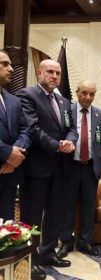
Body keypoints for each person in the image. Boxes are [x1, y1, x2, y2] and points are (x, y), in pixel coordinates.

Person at [16, 59, 78, 280]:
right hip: (37, 168)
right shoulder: (27, 95)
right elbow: (32, 128)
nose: (54, 76)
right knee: (31, 216)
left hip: (61, 168)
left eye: (57, 73)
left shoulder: (63, 101)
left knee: (55, 214)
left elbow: (72, 128)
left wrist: (70, 141)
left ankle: (48, 253)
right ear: (39, 72)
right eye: (50, 72)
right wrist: (57, 146)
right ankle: (29, 259)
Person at [57, 80, 101, 258]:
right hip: (70, 166)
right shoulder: (67, 111)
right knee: (67, 205)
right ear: (77, 92)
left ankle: (85, 241)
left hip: (90, 168)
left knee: (88, 206)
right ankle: (66, 241)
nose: (88, 97)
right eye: (84, 93)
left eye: (92, 94)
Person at [0, 50, 30, 221]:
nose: (11, 69)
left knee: (6, 230)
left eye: (11, 64)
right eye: (5, 64)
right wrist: (7, 153)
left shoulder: (13, 100)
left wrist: (15, 156)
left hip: (9, 175)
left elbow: (25, 129)